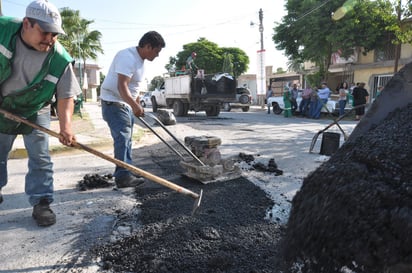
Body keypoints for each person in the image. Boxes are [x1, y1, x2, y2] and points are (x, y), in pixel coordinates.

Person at [0, 0, 81, 226]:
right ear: (27, 23)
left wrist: (66, 127)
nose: (50, 39)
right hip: (3, 105)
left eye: (55, 34)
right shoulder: (2, 32)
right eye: (45, 32)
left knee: (41, 157)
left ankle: (42, 203)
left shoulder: (60, 58)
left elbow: (66, 95)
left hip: (36, 107)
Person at [100, 31, 165, 188]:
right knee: (122, 138)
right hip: (114, 102)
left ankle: (126, 170)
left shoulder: (140, 61)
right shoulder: (127, 57)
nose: (157, 56)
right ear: (148, 46)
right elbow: (121, 86)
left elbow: (132, 87)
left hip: (124, 104)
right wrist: (134, 105)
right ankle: (122, 176)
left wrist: (137, 104)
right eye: (156, 51)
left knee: (127, 139)